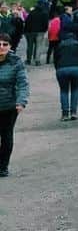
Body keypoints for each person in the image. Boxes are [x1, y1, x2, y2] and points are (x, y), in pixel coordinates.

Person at [0, 32, 29, 177]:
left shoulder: (16, 62)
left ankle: (3, 166)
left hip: (8, 107)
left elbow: (23, 83)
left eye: (5, 44)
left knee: (6, 136)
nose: (1, 47)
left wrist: (21, 101)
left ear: (10, 46)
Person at [53, 28, 78, 120]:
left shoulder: (60, 45)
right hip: (77, 68)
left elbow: (55, 58)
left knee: (64, 91)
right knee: (75, 90)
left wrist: (57, 68)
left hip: (62, 68)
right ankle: (73, 112)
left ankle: (64, 114)